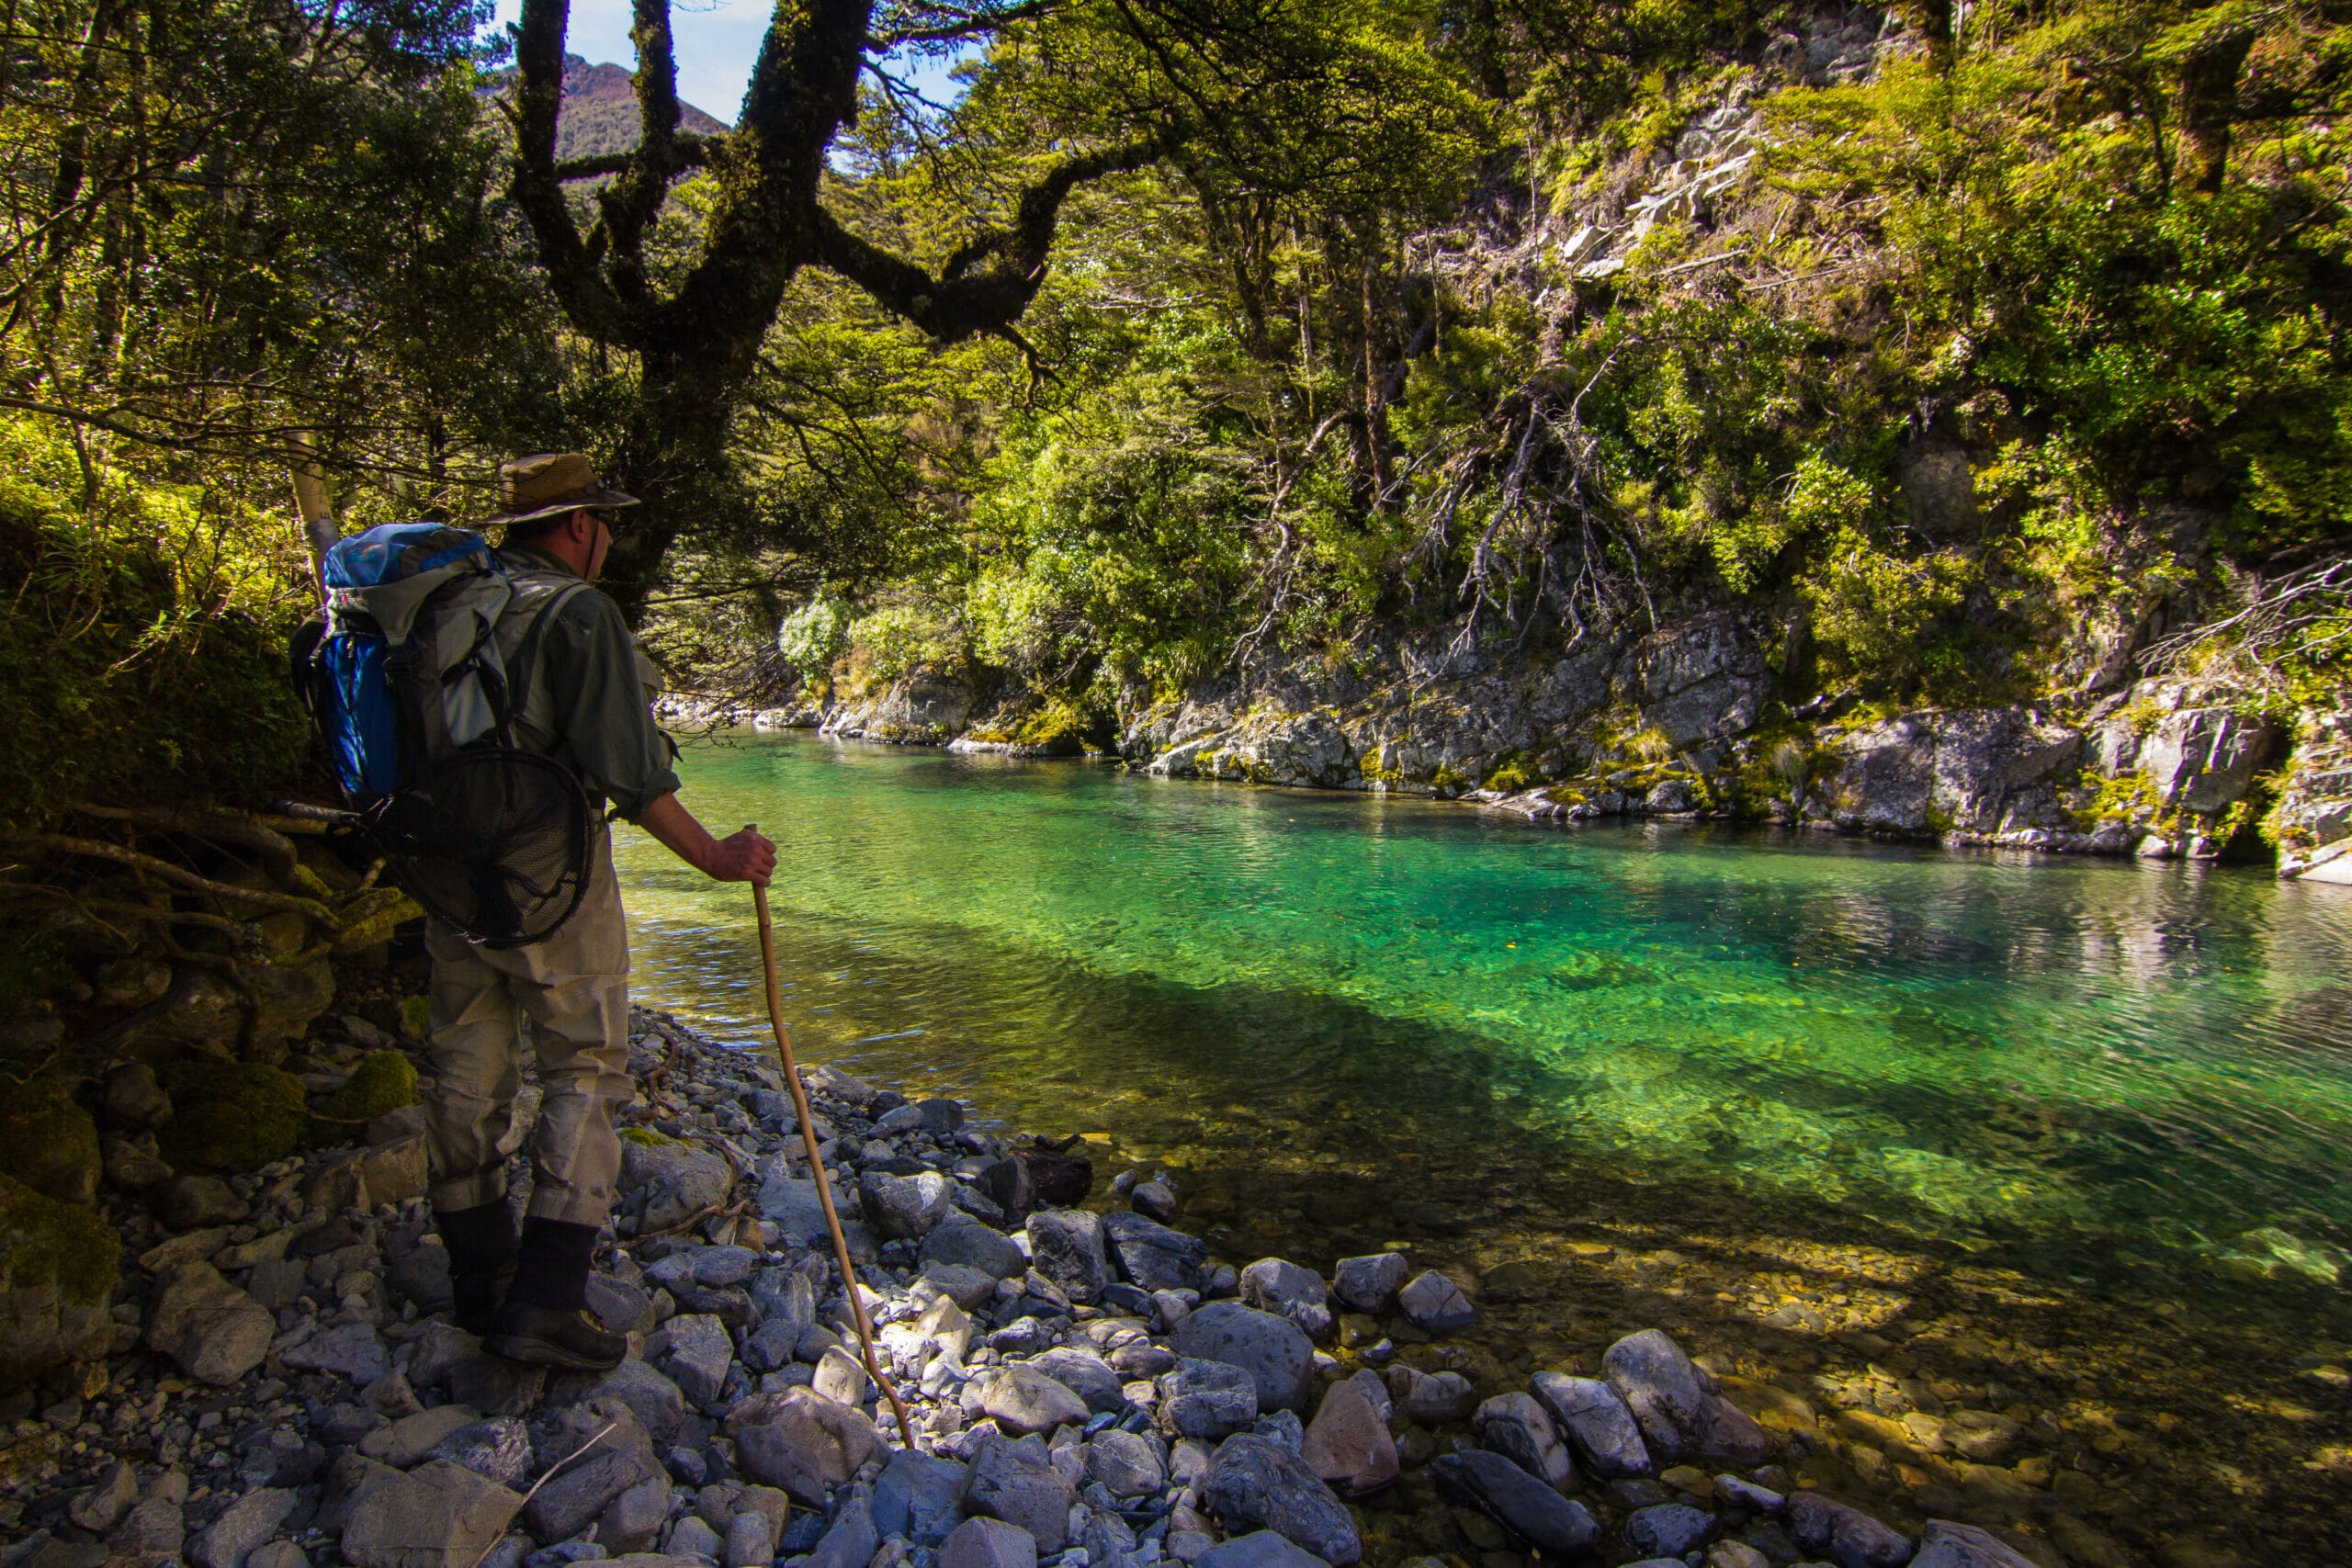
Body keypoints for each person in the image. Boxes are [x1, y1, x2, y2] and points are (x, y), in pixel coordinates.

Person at [424, 451, 776, 1371]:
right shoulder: (576, 614)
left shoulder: (448, 600)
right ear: (577, 525)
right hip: (549, 868)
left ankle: (477, 1280)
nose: (611, 538)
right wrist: (713, 856)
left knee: (468, 1051)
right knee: (584, 1060)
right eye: (606, 522)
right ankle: (544, 1300)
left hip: (442, 866)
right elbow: (630, 768)